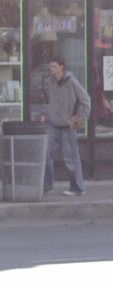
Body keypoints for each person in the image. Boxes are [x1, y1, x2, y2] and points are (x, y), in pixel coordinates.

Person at [40, 58, 89, 196]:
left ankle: (77, 187)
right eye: (50, 66)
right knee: (44, 152)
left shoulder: (71, 81)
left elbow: (86, 100)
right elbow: (50, 100)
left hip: (68, 125)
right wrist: (46, 114)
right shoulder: (50, 82)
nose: (51, 69)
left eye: (54, 66)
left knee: (70, 156)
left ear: (61, 67)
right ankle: (47, 185)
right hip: (54, 124)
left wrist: (81, 119)